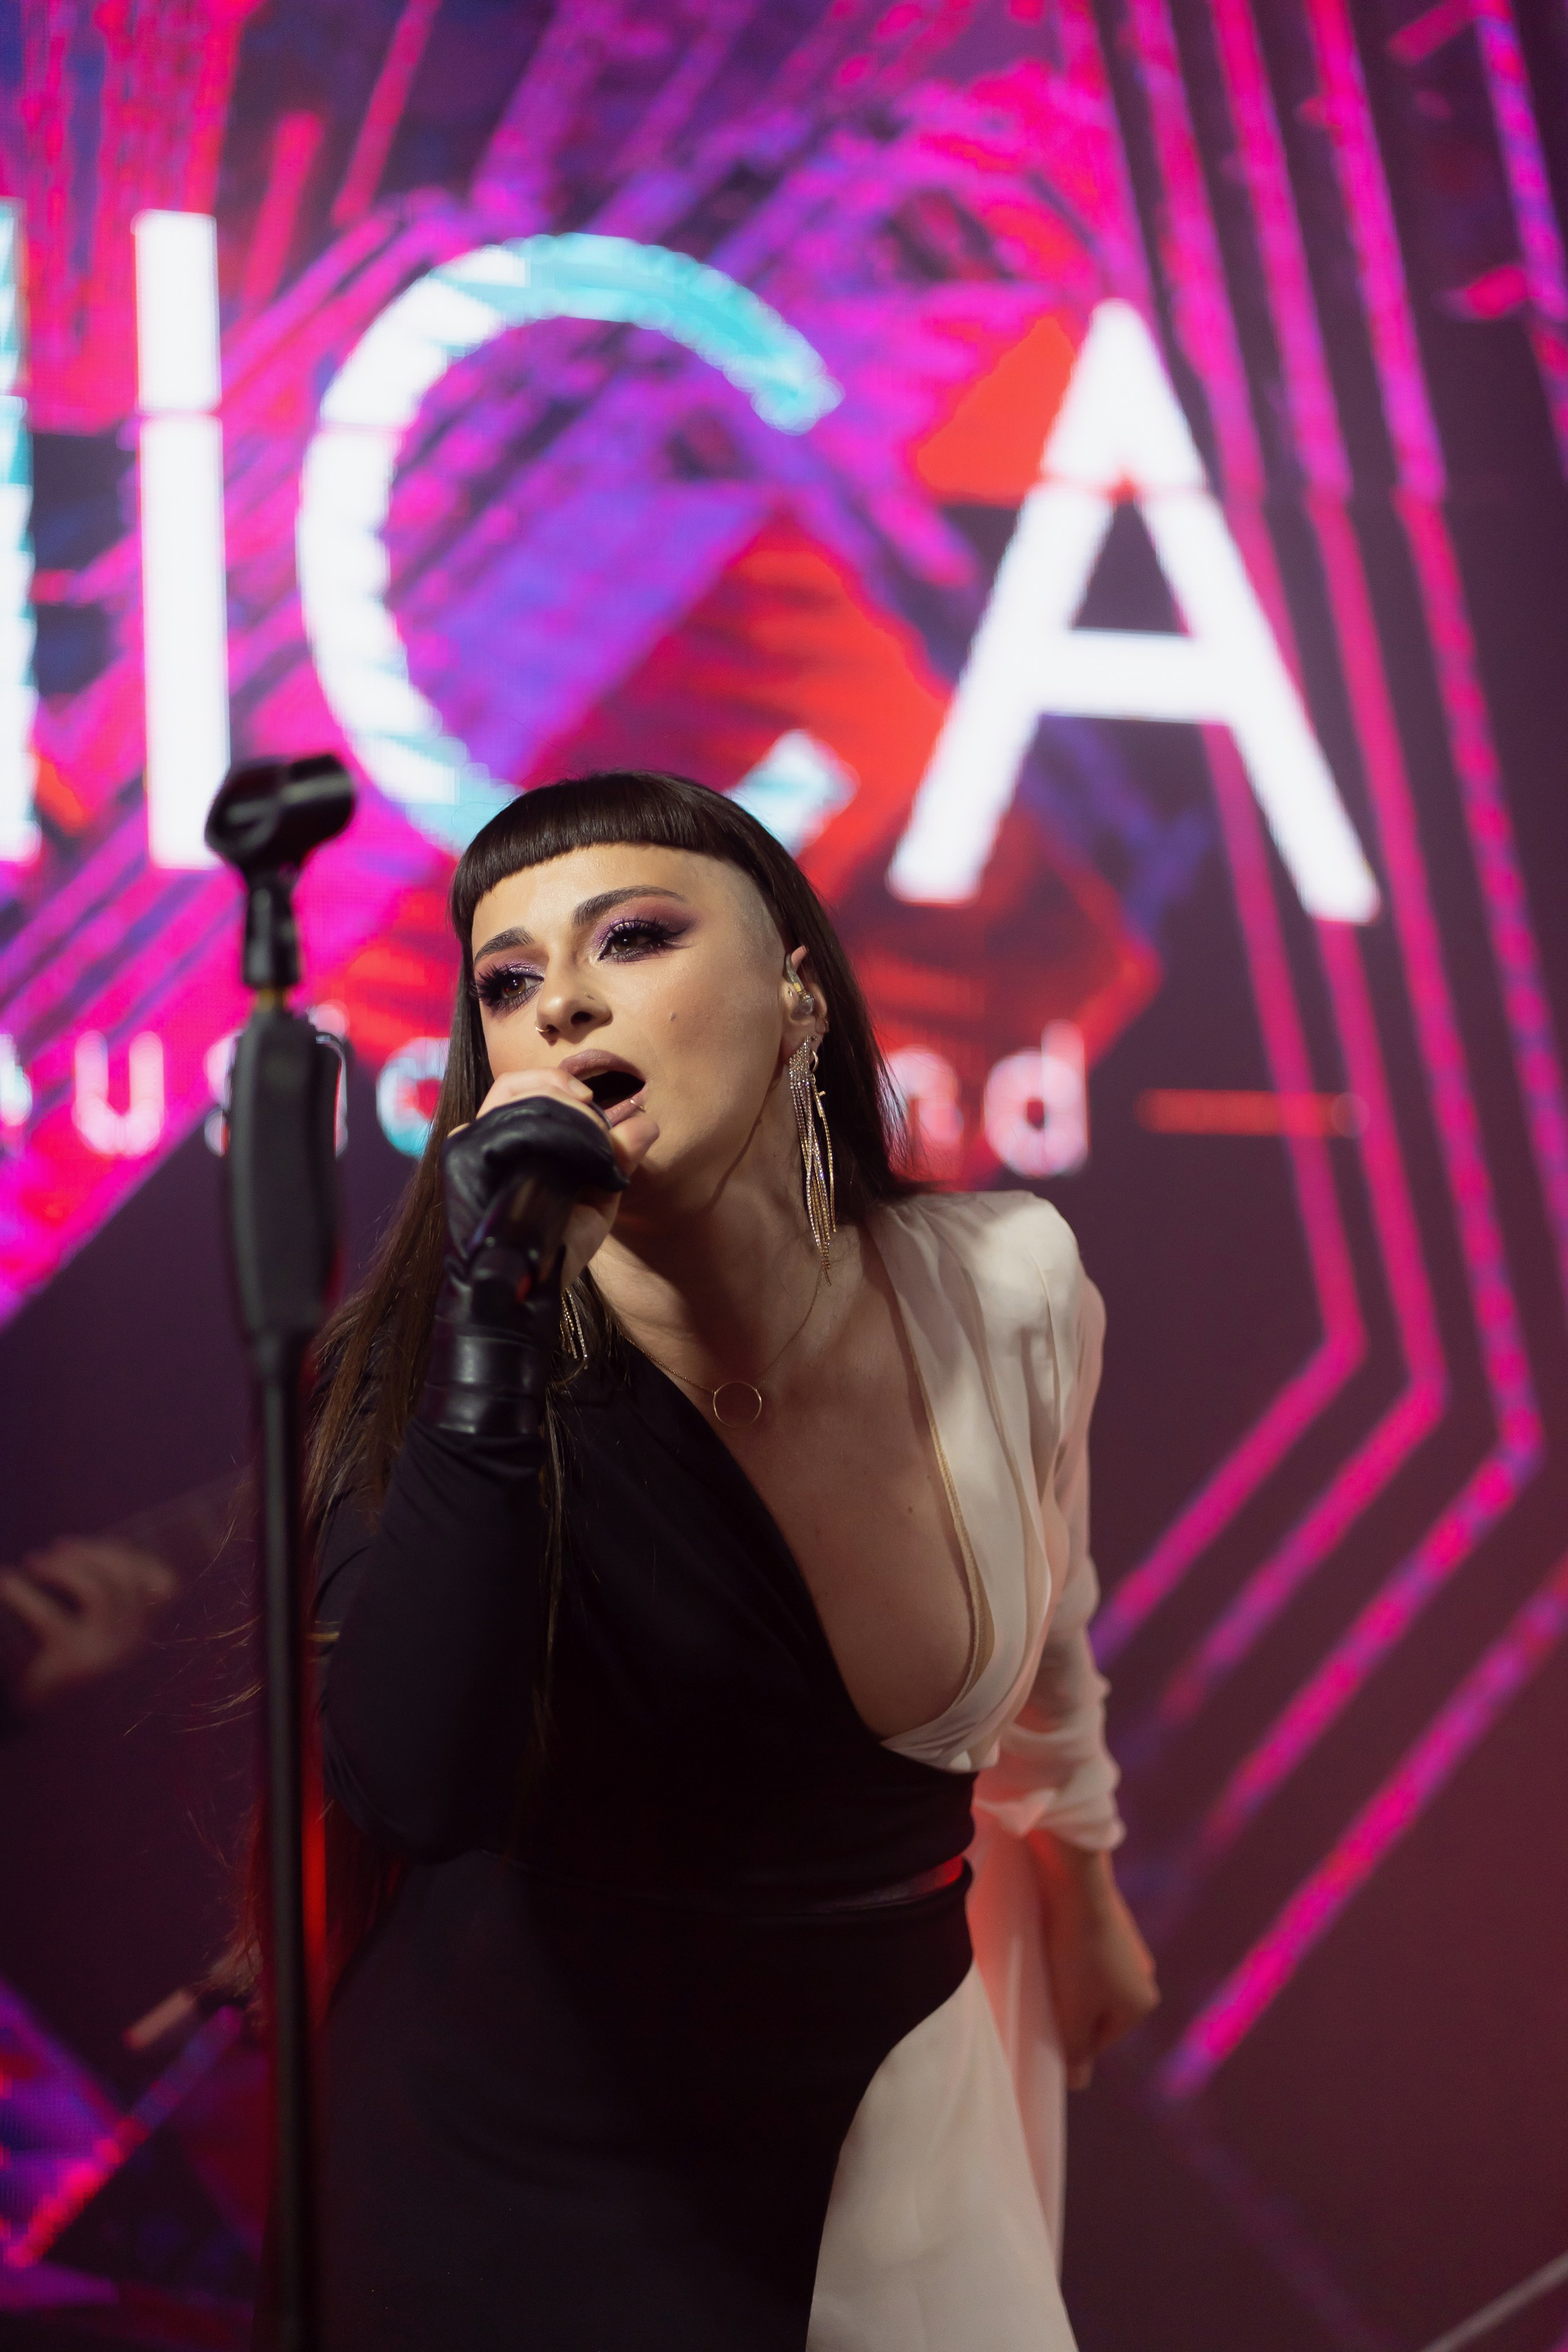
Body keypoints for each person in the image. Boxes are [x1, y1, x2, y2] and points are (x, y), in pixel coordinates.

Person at [298, 769, 1156, 2352]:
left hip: (895, 2100)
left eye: (631, 937)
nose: (560, 1003)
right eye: (507, 982)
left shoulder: (1008, 1284)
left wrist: (1087, 1882)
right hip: (535, 2168)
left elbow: (1050, 1626)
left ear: (798, 997)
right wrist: (495, 1321)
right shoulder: (438, 1368)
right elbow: (413, 1780)